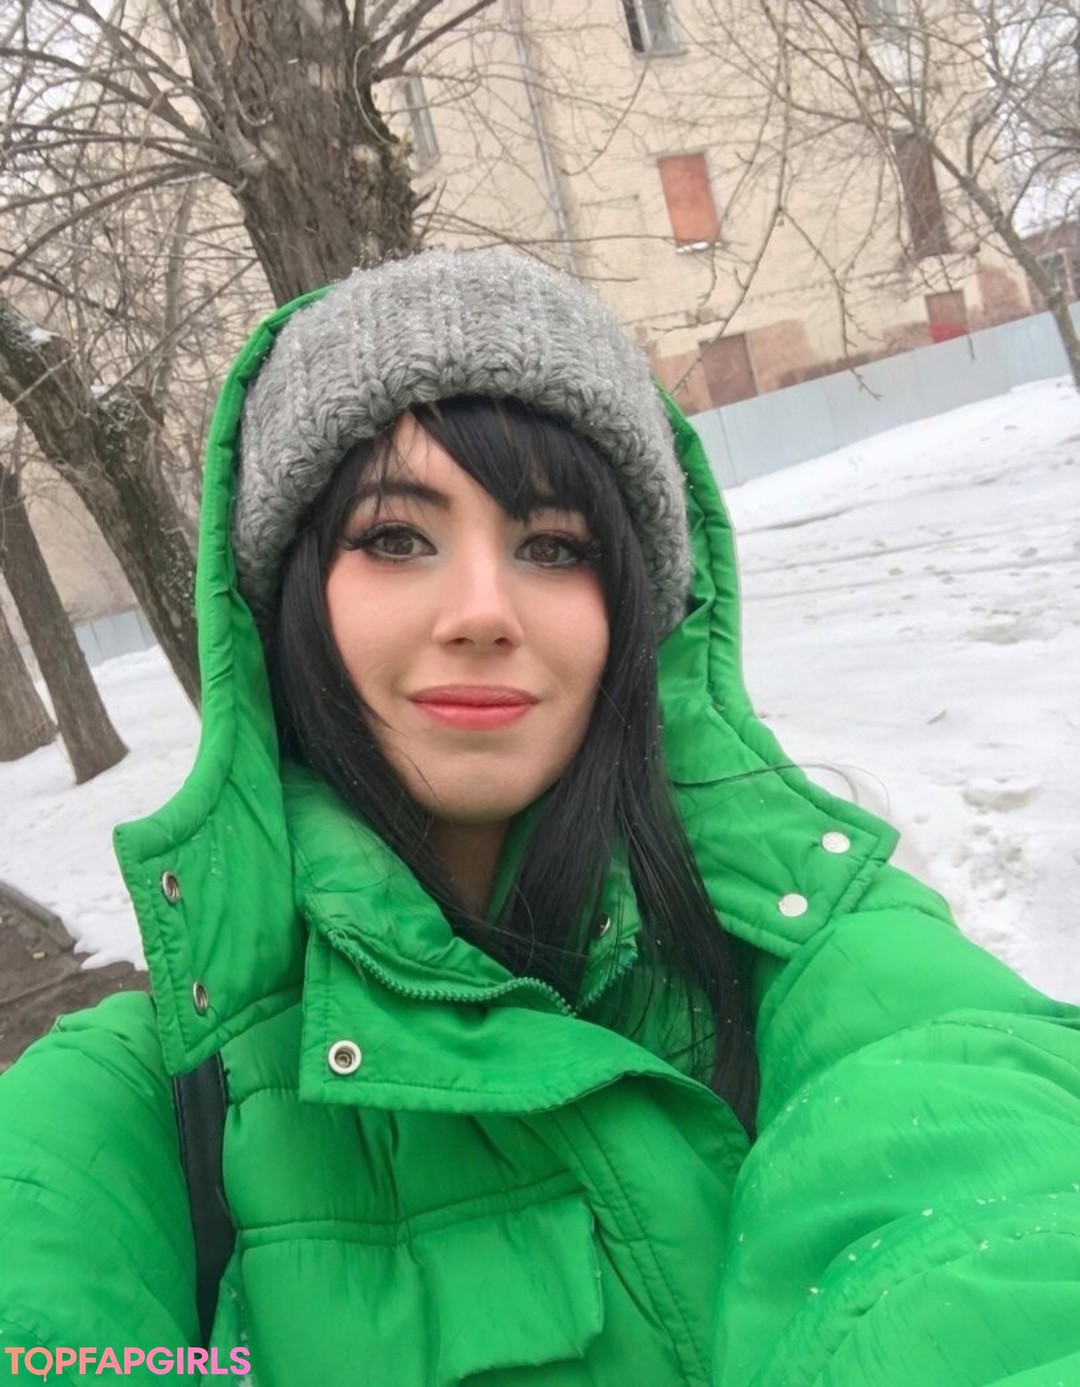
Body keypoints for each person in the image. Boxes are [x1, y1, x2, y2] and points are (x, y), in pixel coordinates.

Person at [1, 249, 1078, 1387]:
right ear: (289, 604)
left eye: (555, 547)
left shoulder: (820, 956)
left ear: (635, 611)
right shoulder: (143, 1107)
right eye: (395, 537)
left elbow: (995, 1230)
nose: (482, 611)